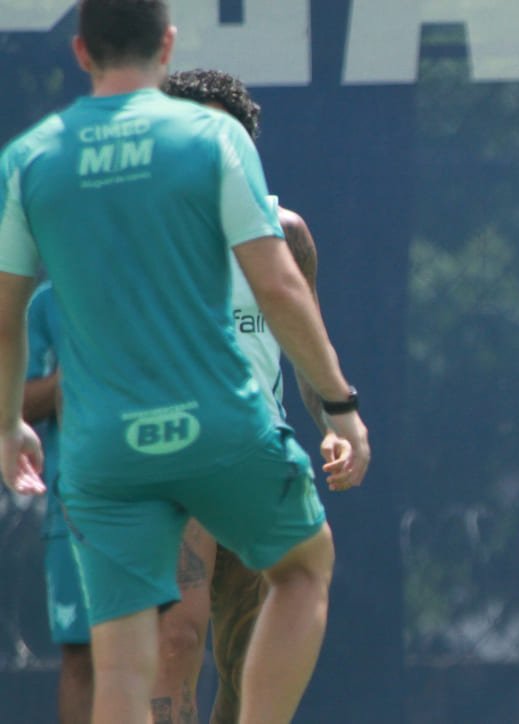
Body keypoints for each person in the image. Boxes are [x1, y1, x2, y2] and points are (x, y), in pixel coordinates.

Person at [0, 2, 370, 723]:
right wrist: (347, 408)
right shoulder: (190, 158)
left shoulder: (36, 157)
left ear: (81, 52)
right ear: (165, 47)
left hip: (178, 444)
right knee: (182, 634)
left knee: (193, 658)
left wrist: (331, 410)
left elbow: (292, 308)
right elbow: (278, 287)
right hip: (209, 434)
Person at [146, 68, 343, 724]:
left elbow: (309, 347)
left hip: (260, 453)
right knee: (175, 639)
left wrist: (338, 424)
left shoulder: (284, 233)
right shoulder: (139, 237)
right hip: (173, 455)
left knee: (249, 662)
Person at [22, 281, 92, 723]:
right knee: (82, 653)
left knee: (167, 643)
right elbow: (18, 405)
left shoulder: (162, 282)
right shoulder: (45, 303)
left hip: (161, 497)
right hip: (73, 505)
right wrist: (76, 375)